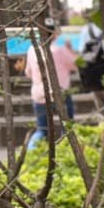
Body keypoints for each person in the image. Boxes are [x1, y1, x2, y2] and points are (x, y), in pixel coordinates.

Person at [22, 17, 77, 148]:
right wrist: (71, 50)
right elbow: (76, 65)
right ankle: (67, 154)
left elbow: (28, 73)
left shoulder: (32, 50)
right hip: (60, 93)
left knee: (42, 130)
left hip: (39, 94)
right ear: (53, 33)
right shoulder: (60, 51)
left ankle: (31, 155)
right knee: (67, 128)